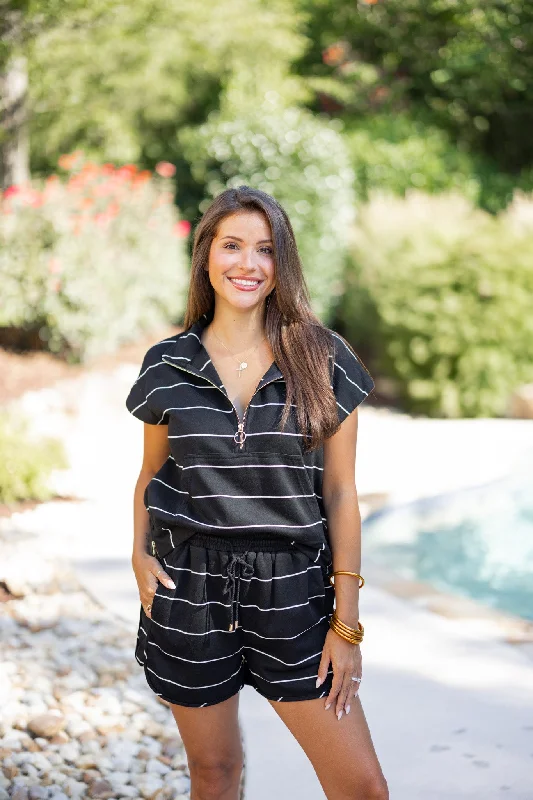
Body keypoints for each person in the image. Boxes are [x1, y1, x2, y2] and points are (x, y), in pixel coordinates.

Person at [126, 185, 388, 799]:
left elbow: (343, 493)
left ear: (283, 262)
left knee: (362, 788)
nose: (248, 264)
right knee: (215, 774)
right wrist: (138, 553)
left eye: (265, 249)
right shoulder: (167, 364)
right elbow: (150, 476)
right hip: (188, 593)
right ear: (206, 257)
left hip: (294, 594)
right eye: (232, 246)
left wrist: (345, 626)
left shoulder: (324, 358)